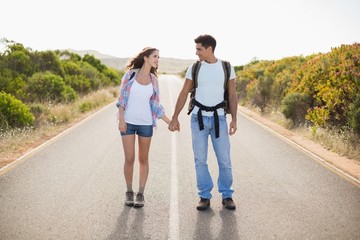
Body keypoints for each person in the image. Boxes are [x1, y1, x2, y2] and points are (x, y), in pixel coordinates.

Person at [168, 34, 238, 210]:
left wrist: (234, 120)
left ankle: (227, 195)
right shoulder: (194, 68)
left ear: (209, 49)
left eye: (199, 49)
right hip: (198, 118)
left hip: (219, 119)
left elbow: (232, 94)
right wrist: (175, 116)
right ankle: (204, 196)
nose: (196, 52)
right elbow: (184, 92)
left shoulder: (227, 67)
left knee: (224, 159)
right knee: (200, 159)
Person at [116, 47, 170, 208]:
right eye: (155, 56)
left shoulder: (154, 80)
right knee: (129, 158)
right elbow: (121, 99)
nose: (157, 60)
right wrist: (121, 119)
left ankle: (140, 194)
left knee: (143, 159)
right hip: (128, 123)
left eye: (158, 57)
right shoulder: (130, 75)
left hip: (146, 124)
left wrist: (170, 121)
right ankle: (129, 191)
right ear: (146, 58)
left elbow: (156, 105)